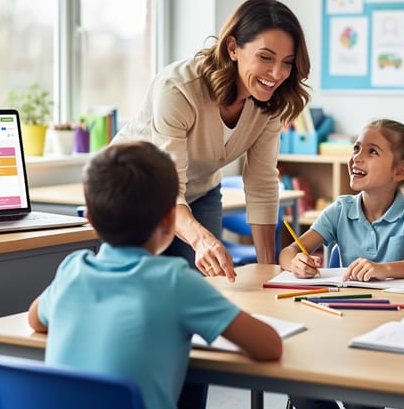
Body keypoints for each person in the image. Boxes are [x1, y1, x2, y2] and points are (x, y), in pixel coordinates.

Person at [28, 142, 282, 409]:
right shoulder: (176, 282)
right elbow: (270, 346)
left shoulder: (73, 270)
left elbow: (36, 319)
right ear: (170, 219)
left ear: (90, 219)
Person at [112, 0, 311, 280]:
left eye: (287, 62)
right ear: (233, 48)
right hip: (137, 191)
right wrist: (200, 240)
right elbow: (169, 189)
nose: (277, 74)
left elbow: (262, 184)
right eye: (265, 57)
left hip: (200, 191)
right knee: (145, 288)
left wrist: (270, 274)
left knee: (207, 287)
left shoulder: (271, 102)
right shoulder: (179, 88)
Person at [278, 117, 404, 409]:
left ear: (401, 170)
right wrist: (296, 262)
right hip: (347, 321)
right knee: (300, 388)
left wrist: (383, 269)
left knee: (359, 399)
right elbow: (288, 251)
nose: (356, 158)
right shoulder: (342, 208)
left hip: (396, 327)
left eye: (372, 152)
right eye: (356, 148)